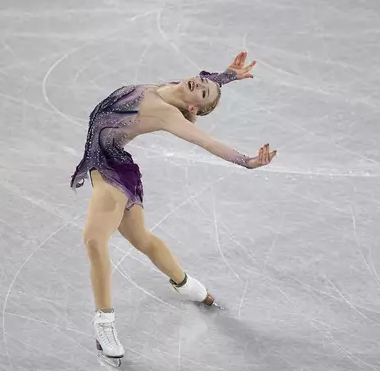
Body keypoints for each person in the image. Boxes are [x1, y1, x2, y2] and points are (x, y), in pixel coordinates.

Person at [70, 51, 277, 362]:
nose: (200, 82)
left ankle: (104, 321)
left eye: (202, 90)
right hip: (117, 167)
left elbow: (207, 142)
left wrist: (247, 162)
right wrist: (226, 77)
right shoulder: (170, 86)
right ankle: (188, 285)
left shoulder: (169, 114)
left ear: (192, 107)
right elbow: (207, 81)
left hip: (110, 172)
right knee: (142, 241)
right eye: (201, 81)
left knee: (94, 241)